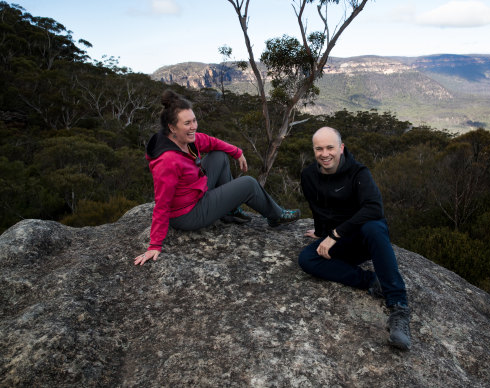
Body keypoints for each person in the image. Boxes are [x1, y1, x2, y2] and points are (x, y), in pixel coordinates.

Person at [134, 89, 300, 266]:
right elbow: (162, 203)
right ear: (172, 128)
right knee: (248, 184)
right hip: (189, 214)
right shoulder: (167, 160)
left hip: (196, 192)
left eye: (194, 120)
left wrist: (237, 152)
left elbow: (211, 142)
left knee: (219, 155)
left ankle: (229, 211)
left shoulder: (185, 140)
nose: (194, 127)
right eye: (187, 123)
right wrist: (155, 245)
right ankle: (276, 215)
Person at [298, 126, 411, 350]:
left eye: (330, 147)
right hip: (339, 243)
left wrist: (335, 234)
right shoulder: (309, 176)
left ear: (341, 148)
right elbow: (316, 207)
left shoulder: (359, 173)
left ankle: (398, 305)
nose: (325, 153)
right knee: (307, 259)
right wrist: (321, 233)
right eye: (319, 149)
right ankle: (371, 281)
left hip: (362, 239)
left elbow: (374, 208)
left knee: (374, 227)